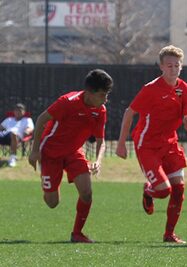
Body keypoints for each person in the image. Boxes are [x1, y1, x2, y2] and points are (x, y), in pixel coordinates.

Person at [116, 45, 187, 244]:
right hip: (147, 144)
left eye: (177, 65)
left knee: (179, 189)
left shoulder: (186, 90)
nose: (173, 69)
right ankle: (148, 190)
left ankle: (169, 234)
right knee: (163, 191)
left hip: (170, 143)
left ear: (181, 66)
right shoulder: (151, 89)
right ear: (161, 66)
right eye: (169, 65)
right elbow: (129, 113)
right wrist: (121, 144)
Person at [28, 69, 113, 243]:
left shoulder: (100, 111)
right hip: (50, 153)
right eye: (102, 95)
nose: (105, 100)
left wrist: (98, 161)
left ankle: (77, 233)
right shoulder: (67, 102)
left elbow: (101, 140)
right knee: (52, 203)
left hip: (74, 152)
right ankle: (50, 185)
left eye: (107, 95)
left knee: (87, 193)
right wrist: (35, 150)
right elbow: (41, 120)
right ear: (89, 93)